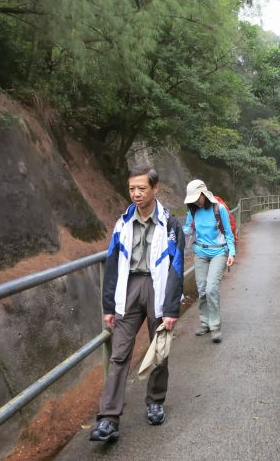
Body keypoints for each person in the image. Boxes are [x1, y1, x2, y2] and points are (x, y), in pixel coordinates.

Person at [89, 165, 184, 442]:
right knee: (119, 353)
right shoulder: (123, 223)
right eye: (132, 188)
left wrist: (171, 309)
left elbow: (176, 266)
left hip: (159, 286)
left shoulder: (170, 223)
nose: (136, 194)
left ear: (155, 188)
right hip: (128, 287)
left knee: (159, 349)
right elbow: (112, 264)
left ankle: (155, 400)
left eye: (142, 188)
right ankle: (108, 418)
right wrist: (108, 307)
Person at [183, 180, 235, 343]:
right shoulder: (193, 210)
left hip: (218, 251)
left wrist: (231, 253)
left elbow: (228, 233)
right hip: (200, 253)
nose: (195, 201)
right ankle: (204, 323)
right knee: (202, 288)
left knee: (212, 287)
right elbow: (188, 229)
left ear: (204, 193)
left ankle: (215, 326)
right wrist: (171, 226)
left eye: (196, 197)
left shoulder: (218, 209)